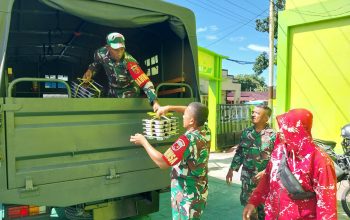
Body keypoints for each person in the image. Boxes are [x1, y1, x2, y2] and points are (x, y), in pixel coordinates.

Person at [243, 108, 337, 220]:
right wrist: (253, 201)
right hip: (272, 216)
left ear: (299, 129)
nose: (281, 132)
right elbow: (267, 178)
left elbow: (327, 206)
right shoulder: (279, 150)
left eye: (285, 128)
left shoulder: (320, 161)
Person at [130, 102, 210, 219]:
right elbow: (192, 112)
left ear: (192, 120)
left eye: (185, 114)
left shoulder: (187, 140)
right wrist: (168, 108)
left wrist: (144, 142)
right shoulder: (206, 130)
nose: (183, 115)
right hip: (199, 193)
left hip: (186, 197)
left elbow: (162, 162)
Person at [82, 32, 160, 112]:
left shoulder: (130, 62)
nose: (119, 53)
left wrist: (155, 102)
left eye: (122, 49)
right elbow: (96, 64)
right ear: (108, 47)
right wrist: (90, 71)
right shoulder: (100, 53)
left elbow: (145, 82)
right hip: (112, 91)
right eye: (116, 50)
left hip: (129, 94)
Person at [226, 105, 275, 220]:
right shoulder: (246, 132)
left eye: (257, 113)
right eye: (253, 112)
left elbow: (277, 158)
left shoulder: (273, 135)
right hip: (247, 178)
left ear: (266, 118)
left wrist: (266, 171)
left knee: (264, 210)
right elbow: (240, 152)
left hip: (264, 180)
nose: (253, 115)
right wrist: (231, 169)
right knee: (249, 211)